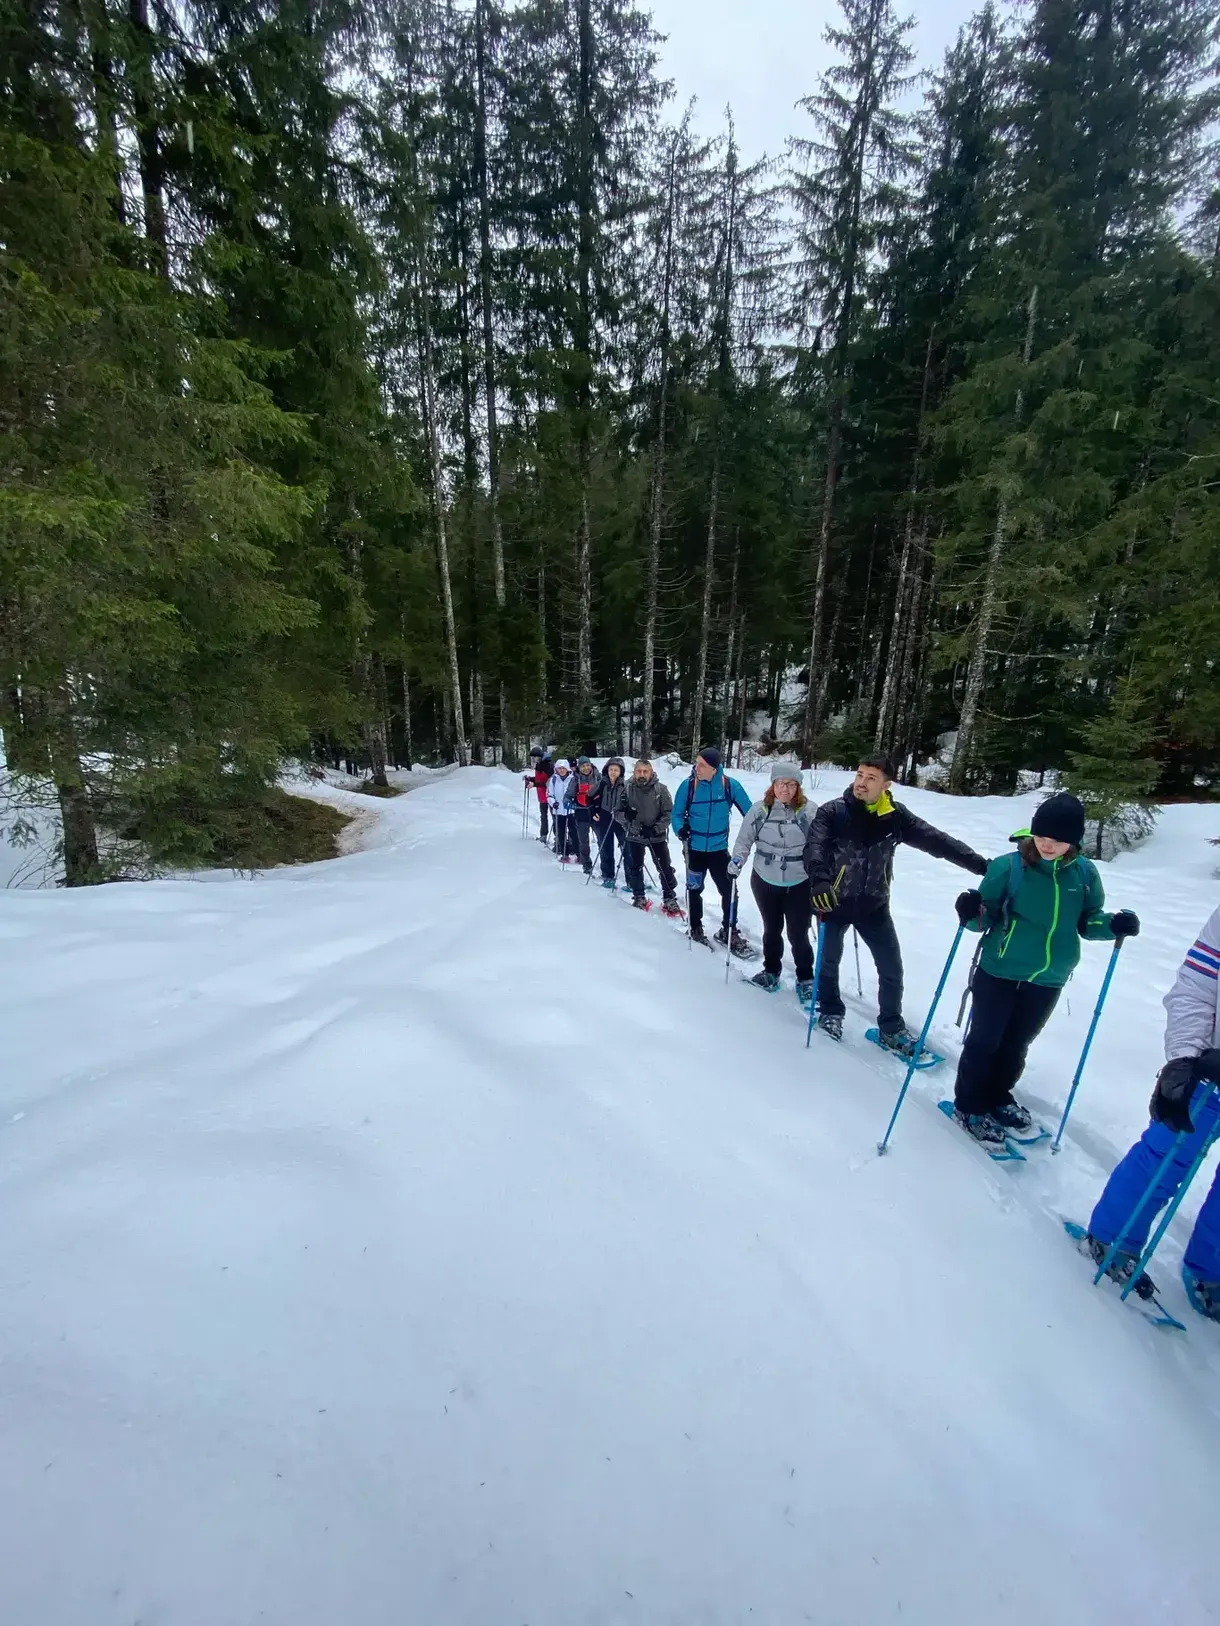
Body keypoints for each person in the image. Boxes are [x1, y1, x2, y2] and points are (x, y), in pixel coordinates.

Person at [951, 791, 1139, 1149]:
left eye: (1057, 839)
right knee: (984, 1041)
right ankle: (969, 1105)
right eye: (1041, 837)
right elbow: (986, 916)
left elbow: (1088, 921)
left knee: (1017, 1043)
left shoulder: (1084, 873)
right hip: (1000, 970)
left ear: (1074, 840)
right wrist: (970, 911)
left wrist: (1113, 925)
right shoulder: (1008, 867)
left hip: (1049, 977)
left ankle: (998, 1095)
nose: (1048, 845)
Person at [1081, 906, 1219, 1316]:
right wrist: (1184, 1058)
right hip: (1210, 1070)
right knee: (1167, 1153)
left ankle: (1211, 1269)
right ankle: (1113, 1238)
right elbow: (1197, 985)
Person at [803, 755, 988, 1052]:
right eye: (860, 775)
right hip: (832, 903)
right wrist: (819, 879)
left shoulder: (896, 817)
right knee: (828, 962)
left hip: (874, 906)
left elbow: (938, 842)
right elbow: (815, 848)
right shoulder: (833, 812)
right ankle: (831, 1012)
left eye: (871, 778)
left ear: (887, 785)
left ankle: (891, 1027)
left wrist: (980, 865)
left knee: (891, 969)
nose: (861, 783)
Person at [728, 761, 815, 1001]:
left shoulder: (809, 811)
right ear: (772, 786)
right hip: (765, 879)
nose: (785, 789)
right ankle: (771, 971)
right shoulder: (759, 810)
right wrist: (737, 860)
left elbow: (821, 845)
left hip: (800, 881)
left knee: (798, 933)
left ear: (798, 787)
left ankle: (806, 977)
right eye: (780, 784)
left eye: (791, 784)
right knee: (772, 929)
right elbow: (744, 840)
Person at [672, 746, 754, 955]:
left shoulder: (729, 786)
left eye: (702, 765)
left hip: (719, 850)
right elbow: (677, 814)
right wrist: (680, 829)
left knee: (730, 890)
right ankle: (696, 927)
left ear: (714, 769)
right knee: (694, 888)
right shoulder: (688, 786)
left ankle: (729, 929)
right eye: (697, 763)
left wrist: (759, 833)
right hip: (695, 849)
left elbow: (751, 814)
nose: (696, 767)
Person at [622, 757, 681, 915]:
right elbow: (618, 813)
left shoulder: (661, 789)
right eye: (639, 771)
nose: (642, 774)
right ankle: (639, 896)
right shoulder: (627, 788)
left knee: (664, 867)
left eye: (645, 771)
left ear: (651, 772)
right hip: (635, 836)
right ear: (634, 773)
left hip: (657, 836)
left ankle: (669, 897)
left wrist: (656, 828)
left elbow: (669, 813)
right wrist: (630, 822)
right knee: (635, 867)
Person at [593, 757, 628, 888]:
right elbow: (590, 796)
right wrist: (594, 811)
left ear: (621, 772)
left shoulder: (625, 785)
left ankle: (631, 879)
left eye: (616, 770)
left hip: (620, 819)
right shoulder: (602, 783)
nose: (613, 772)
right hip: (605, 817)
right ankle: (608, 876)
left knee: (626, 848)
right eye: (611, 769)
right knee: (606, 848)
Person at [571, 756, 602, 875]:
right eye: (583, 766)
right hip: (581, 813)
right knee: (583, 841)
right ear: (579, 767)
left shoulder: (598, 777)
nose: (586, 768)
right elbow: (568, 794)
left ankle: (605, 864)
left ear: (591, 765)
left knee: (602, 839)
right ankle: (586, 864)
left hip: (595, 813)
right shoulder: (575, 779)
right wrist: (568, 801)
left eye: (587, 765)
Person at [548, 758, 578, 863]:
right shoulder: (554, 779)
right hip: (559, 810)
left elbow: (576, 793)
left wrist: (574, 802)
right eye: (559, 768)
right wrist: (553, 803)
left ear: (567, 769)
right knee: (561, 833)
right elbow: (549, 795)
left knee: (574, 833)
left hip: (571, 811)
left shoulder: (573, 778)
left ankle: (579, 854)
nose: (561, 770)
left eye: (563, 768)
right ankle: (565, 855)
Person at [524, 746, 553, 843]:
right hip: (541, 795)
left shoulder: (548, 765)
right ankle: (543, 835)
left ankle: (558, 837)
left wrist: (534, 784)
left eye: (535, 757)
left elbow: (547, 782)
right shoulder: (539, 764)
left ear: (539, 756)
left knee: (554, 816)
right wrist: (530, 779)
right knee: (543, 815)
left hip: (550, 795)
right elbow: (539, 778)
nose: (534, 759)